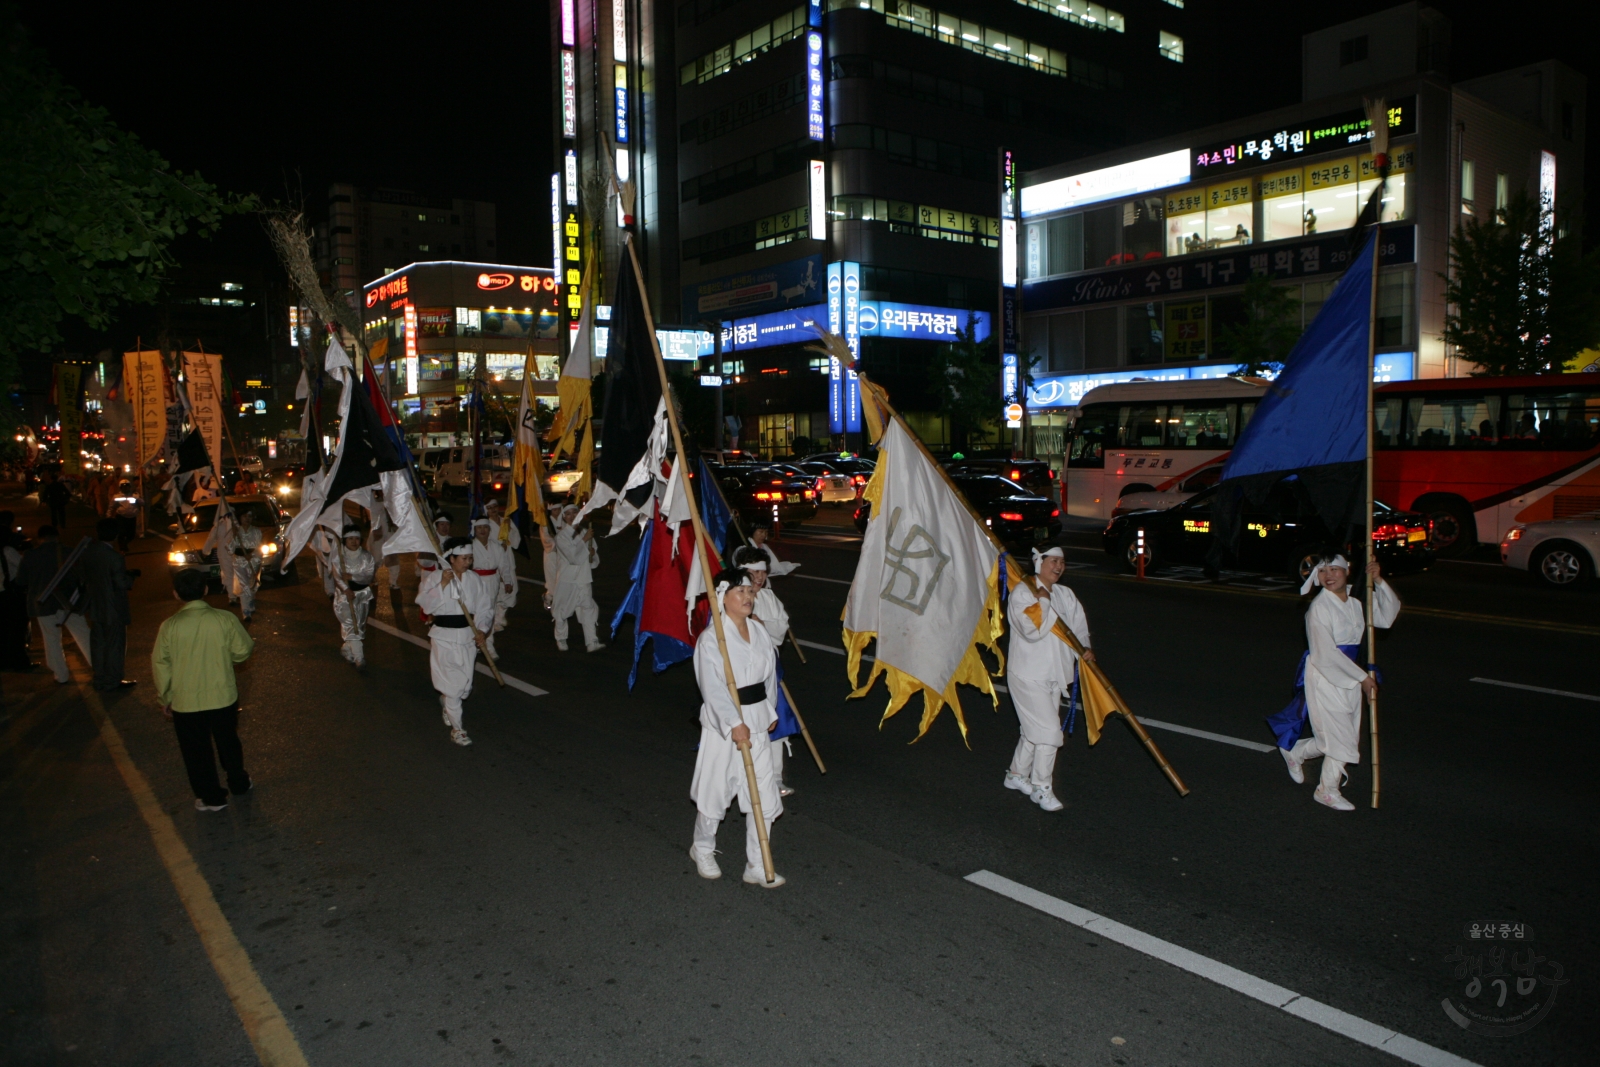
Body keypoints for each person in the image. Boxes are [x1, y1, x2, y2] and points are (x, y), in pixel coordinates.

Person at [1270, 554, 1400, 811]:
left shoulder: (1357, 598)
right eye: (1323, 571)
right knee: (1341, 736)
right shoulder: (1319, 608)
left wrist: (1379, 581)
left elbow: (1386, 617)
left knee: (1344, 734)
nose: (1329, 575)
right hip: (1325, 676)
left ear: (1347, 572)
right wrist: (1362, 677)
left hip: (1350, 673)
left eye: (1334, 569)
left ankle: (1296, 752)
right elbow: (1324, 654)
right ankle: (1327, 790)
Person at [688, 567, 784, 888]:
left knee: (763, 794)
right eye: (740, 592)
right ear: (722, 597)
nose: (748, 597)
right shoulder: (712, 638)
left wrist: (769, 709)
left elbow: (769, 675)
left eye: (750, 592)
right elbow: (712, 687)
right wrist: (732, 723)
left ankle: (757, 864)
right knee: (717, 788)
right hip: (726, 725)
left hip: (756, 719)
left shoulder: (759, 633)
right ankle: (702, 847)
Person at [152, 567, 255, 812]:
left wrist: (165, 697)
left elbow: (161, 664)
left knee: (196, 751)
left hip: (186, 702)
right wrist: (224, 658)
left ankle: (212, 797)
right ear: (206, 590)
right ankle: (238, 782)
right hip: (222, 695)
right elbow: (244, 649)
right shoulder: (224, 619)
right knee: (228, 741)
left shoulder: (169, 626)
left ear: (176, 594)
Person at [1003, 545, 1094, 813]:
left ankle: (1016, 775)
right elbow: (1032, 630)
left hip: (1054, 674)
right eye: (1053, 561)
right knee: (1050, 732)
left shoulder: (1065, 594)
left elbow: (1078, 627)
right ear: (1038, 563)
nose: (1058, 567)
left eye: (1062, 562)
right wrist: (1042, 600)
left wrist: (1084, 648)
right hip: (1028, 675)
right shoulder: (1023, 593)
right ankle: (1041, 787)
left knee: (1036, 730)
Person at [416, 536, 495, 746]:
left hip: (467, 637)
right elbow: (426, 606)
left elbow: (485, 607)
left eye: (470, 558)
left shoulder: (475, 579)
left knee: (464, 687)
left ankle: (448, 702)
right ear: (451, 559)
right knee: (452, 688)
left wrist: (481, 629)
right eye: (464, 558)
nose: (468, 562)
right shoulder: (435, 577)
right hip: (443, 637)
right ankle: (458, 729)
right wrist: (442, 585)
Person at [735, 545, 800, 797]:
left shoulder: (769, 598)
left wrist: (762, 626)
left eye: (763, 572)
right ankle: (742, 776)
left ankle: (774, 779)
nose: (759, 577)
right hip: (744, 675)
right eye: (754, 571)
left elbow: (780, 630)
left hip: (770, 671)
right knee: (745, 725)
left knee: (776, 721)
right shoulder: (732, 598)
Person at [18, 525, 90, 682]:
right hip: (68, 602)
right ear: (57, 536)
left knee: (51, 640)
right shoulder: (69, 552)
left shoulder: (30, 555)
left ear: (39, 538)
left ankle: (61, 675)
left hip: (42, 603)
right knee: (83, 635)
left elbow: (21, 580)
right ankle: (98, 667)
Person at [77, 517, 139, 692]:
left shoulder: (87, 552)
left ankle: (99, 677)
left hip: (95, 606)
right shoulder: (114, 557)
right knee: (114, 645)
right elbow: (121, 583)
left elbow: (82, 576)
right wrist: (131, 578)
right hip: (113, 607)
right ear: (115, 534)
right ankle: (113, 679)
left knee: (98, 644)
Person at [550, 504, 602, 651]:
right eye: (568, 514)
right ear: (564, 517)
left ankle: (591, 641)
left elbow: (593, 559)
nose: (572, 516)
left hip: (584, 577)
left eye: (575, 513)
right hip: (567, 579)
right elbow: (572, 557)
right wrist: (584, 540)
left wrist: (592, 554)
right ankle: (561, 638)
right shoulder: (561, 536)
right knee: (562, 610)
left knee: (588, 608)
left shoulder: (586, 531)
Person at [206, 505, 264, 622]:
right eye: (244, 516)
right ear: (240, 518)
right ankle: (246, 612)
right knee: (244, 585)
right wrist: (241, 553)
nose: (247, 518)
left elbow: (259, 547)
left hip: (253, 562)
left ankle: (250, 603)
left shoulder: (257, 531)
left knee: (252, 586)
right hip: (239, 563)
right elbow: (230, 548)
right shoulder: (236, 533)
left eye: (249, 516)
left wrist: (251, 555)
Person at [470, 515, 517, 658]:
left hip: (492, 582)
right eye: (479, 528)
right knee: (475, 613)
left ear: (489, 530)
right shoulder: (470, 547)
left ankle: (487, 645)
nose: (482, 530)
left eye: (485, 527)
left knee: (488, 614)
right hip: (475, 582)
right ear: (474, 530)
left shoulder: (496, 547)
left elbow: (504, 565)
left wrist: (507, 581)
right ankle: (476, 644)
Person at [332, 523, 376, 668]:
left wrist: (353, 576)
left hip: (362, 596)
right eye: (350, 538)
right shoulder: (339, 556)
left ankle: (347, 648)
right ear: (345, 540)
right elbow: (337, 576)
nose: (353, 541)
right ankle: (359, 658)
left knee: (360, 625)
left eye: (356, 538)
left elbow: (369, 576)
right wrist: (346, 589)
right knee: (352, 625)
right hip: (344, 597)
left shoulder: (367, 556)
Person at [0, 511, 32, 670]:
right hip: (8, 595)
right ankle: (18, 661)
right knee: (16, 629)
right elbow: (24, 567)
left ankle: (4, 660)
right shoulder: (7, 551)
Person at [367, 497, 402, 592]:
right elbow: (372, 512)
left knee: (393, 557)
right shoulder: (373, 499)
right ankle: (372, 578)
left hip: (390, 532)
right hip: (378, 531)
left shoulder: (392, 497)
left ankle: (393, 582)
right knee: (376, 558)